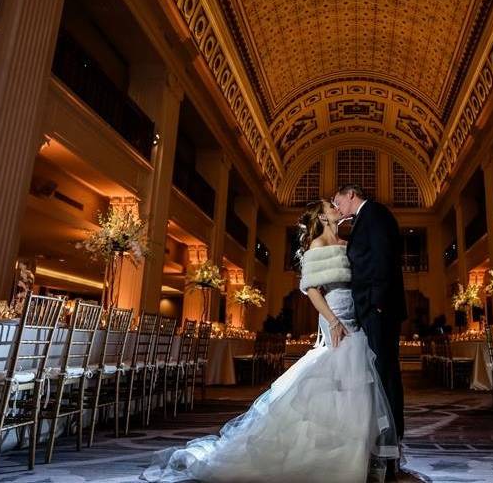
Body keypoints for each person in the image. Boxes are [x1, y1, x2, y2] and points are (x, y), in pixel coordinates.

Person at [142, 200, 398, 483]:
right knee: (335, 373)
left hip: (356, 316)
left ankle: (355, 454)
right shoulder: (316, 246)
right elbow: (312, 289)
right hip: (335, 315)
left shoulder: (347, 242)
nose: (337, 206)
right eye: (331, 205)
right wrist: (333, 321)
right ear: (324, 217)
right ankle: (333, 456)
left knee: (357, 384)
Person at [332, 184, 407, 476]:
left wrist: (377, 302)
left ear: (351, 195)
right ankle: (383, 443)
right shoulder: (364, 218)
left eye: (339, 201)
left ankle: (393, 444)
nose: (338, 208)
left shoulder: (374, 213)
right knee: (378, 372)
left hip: (379, 308)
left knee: (386, 372)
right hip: (369, 308)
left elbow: (383, 257)